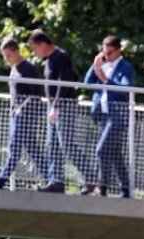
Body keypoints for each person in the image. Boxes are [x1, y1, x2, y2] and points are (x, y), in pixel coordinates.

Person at [27, 29, 97, 194]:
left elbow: (64, 82)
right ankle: (56, 181)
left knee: (66, 144)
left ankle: (91, 177)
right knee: (53, 145)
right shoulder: (49, 60)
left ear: (43, 44)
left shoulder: (61, 57)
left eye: (34, 48)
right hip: (53, 107)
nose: (34, 52)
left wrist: (56, 107)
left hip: (63, 106)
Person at [0, 37, 47, 190]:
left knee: (14, 147)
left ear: (16, 51)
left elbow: (36, 93)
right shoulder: (14, 68)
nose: (6, 59)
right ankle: (51, 177)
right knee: (33, 149)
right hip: (15, 114)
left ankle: (1, 180)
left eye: (9, 56)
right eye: (4, 57)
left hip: (25, 115)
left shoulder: (28, 68)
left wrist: (22, 108)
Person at [83, 36, 135, 198]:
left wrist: (106, 79)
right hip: (103, 115)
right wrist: (95, 65)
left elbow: (126, 89)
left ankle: (103, 188)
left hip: (117, 116)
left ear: (118, 51)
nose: (106, 56)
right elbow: (87, 83)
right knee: (114, 153)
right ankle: (125, 189)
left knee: (101, 150)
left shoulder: (125, 67)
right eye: (104, 53)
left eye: (109, 53)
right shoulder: (102, 65)